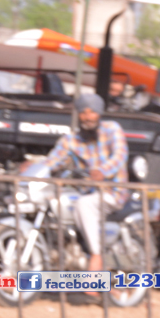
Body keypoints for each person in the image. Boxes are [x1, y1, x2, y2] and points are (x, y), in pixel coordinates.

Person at [41, 93, 128, 272]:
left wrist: (102, 171)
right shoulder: (71, 140)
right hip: (86, 192)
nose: (88, 117)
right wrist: (34, 166)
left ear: (99, 113)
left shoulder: (112, 129)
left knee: (84, 204)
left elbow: (120, 155)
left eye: (92, 112)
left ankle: (96, 256)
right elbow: (53, 161)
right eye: (83, 113)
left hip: (112, 192)